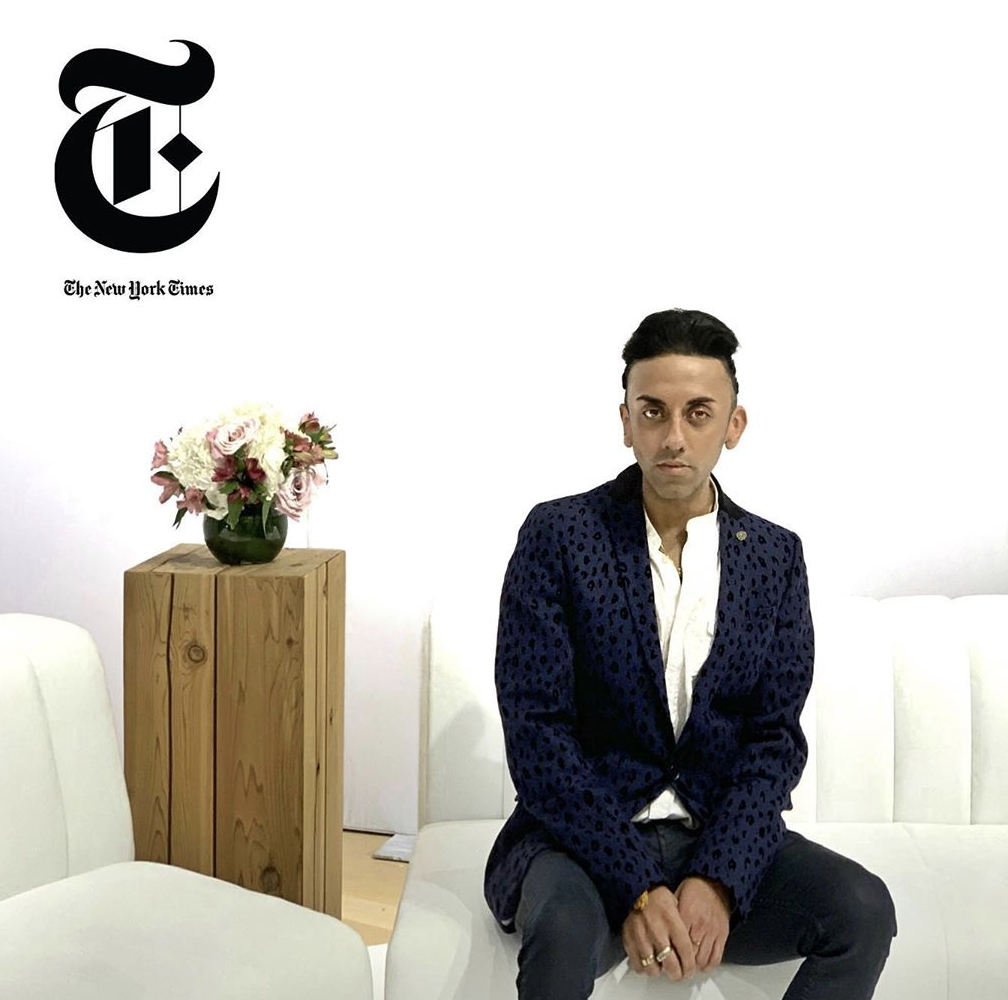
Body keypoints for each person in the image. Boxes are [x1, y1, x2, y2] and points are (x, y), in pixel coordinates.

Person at [484, 309, 897, 999]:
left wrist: (719, 878)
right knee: (561, 933)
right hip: (582, 840)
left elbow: (773, 742)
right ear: (626, 421)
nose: (674, 436)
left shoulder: (774, 557)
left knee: (862, 910)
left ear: (733, 425)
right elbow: (538, 737)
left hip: (717, 836)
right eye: (653, 411)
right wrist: (637, 885)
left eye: (698, 413)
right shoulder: (559, 535)